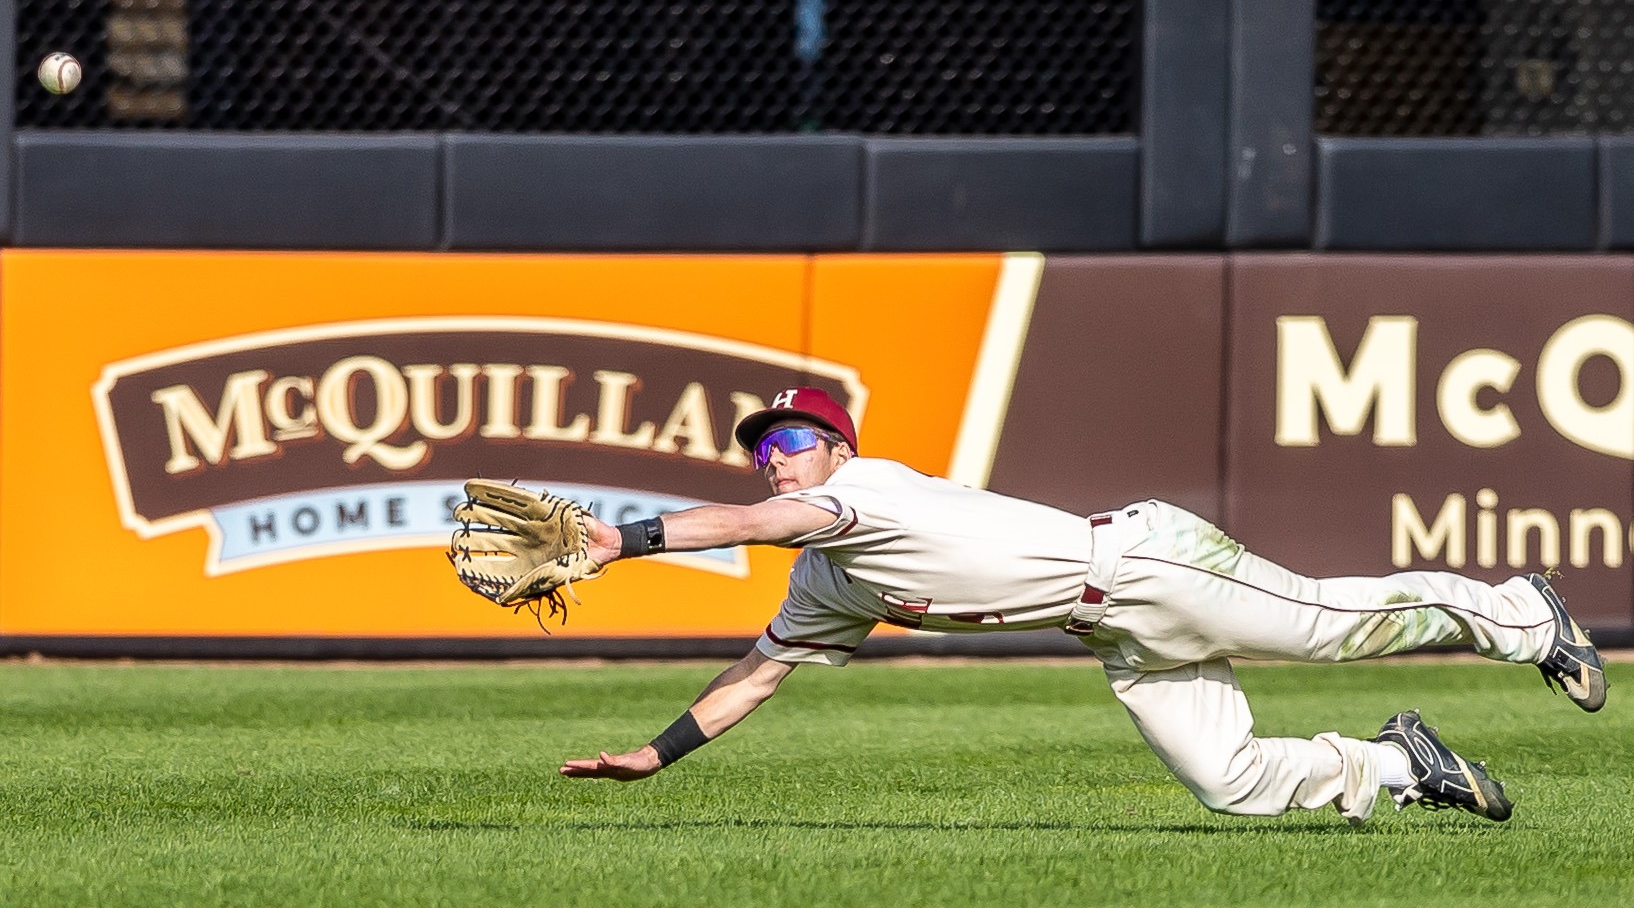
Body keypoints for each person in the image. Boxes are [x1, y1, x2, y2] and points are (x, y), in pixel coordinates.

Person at [557, 387, 1608, 824]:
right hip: (1117, 628)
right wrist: (654, 755)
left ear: (837, 448)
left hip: (1148, 564)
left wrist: (620, 540)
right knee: (1230, 781)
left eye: (791, 441)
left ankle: (1522, 613)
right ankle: (1400, 765)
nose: (776, 458)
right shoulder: (825, 580)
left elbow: (749, 522)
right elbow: (757, 675)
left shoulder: (864, 491)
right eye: (762, 449)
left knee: (1334, 626)